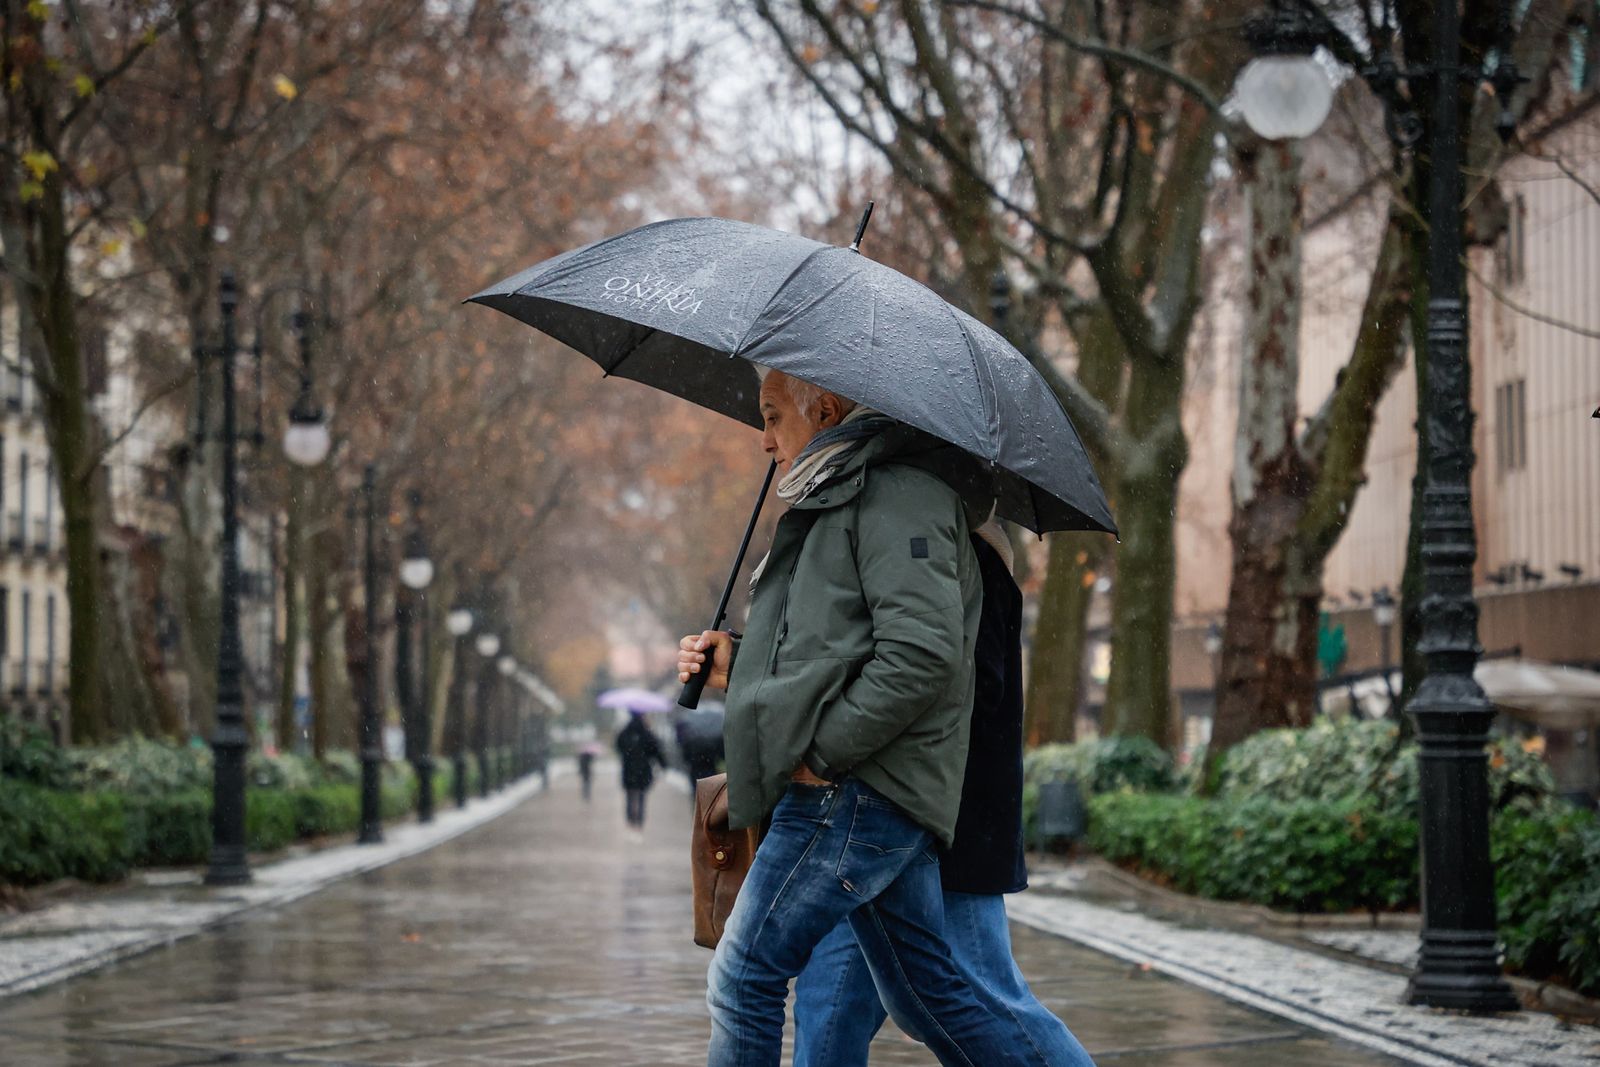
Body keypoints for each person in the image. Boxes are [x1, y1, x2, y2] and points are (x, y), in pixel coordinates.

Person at [677, 368, 1043, 1067]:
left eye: (773, 415)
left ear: (825, 407)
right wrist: (739, 661)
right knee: (928, 994)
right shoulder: (844, 494)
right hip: (865, 788)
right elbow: (829, 652)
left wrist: (824, 754)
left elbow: (922, 656)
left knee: (744, 977)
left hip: (854, 793)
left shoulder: (898, 494)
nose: (764, 439)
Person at [792, 522, 1096, 1066]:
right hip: (860, 816)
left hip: (949, 828)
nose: (769, 442)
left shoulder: (953, 545)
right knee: (829, 1010)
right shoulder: (873, 531)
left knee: (984, 1005)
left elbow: (961, 690)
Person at [614, 711, 666, 835]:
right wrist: (663, 764)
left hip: (629, 769)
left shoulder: (625, 732)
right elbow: (655, 749)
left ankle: (630, 820)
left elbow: (618, 746)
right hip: (643, 770)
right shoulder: (647, 733)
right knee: (642, 796)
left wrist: (628, 755)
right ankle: (640, 821)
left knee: (630, 795)